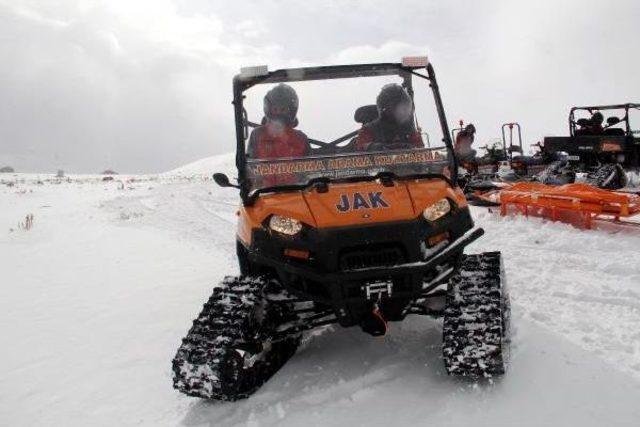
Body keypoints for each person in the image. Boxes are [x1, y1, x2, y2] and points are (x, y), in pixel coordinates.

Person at [247, 84, 310, 186]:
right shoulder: (258, 135)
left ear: (291, 111)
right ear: (269, 110)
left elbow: (311, 170)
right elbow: (249, 166)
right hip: (265, 194)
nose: (279, 113)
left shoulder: (300, 138)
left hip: (296, 194)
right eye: (275, 109)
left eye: (283, 109)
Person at [354, 84, 424, 151]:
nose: (402, 110)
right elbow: (362, 149)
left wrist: (411, 149)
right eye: (396, 105)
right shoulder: (369, 130)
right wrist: (376, 148)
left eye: (404, 106)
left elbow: (422, 153)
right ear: (385, 107)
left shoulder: (409, 129)